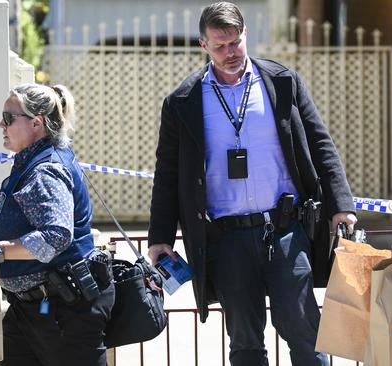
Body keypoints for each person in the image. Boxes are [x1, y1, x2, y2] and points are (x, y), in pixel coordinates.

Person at [147, 2, 356, 365]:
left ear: (246, 35)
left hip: (286, 231)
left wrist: (341, 206)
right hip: (227, 239)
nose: (230, 53)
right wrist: (160, 236)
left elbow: (321, 144)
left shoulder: (281, 83)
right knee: (245, 341)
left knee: (304, 329)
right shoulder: (183, 101)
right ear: (203, 45)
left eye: (236, 42)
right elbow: (167, 174)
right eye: (220, 46)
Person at [0, 84, 114, 366]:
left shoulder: (45, 169)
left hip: (64, 311)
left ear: (36, 123)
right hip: (34, 308)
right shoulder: (32, 160)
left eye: (8, 118)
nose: (1, 124)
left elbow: (56, 236)